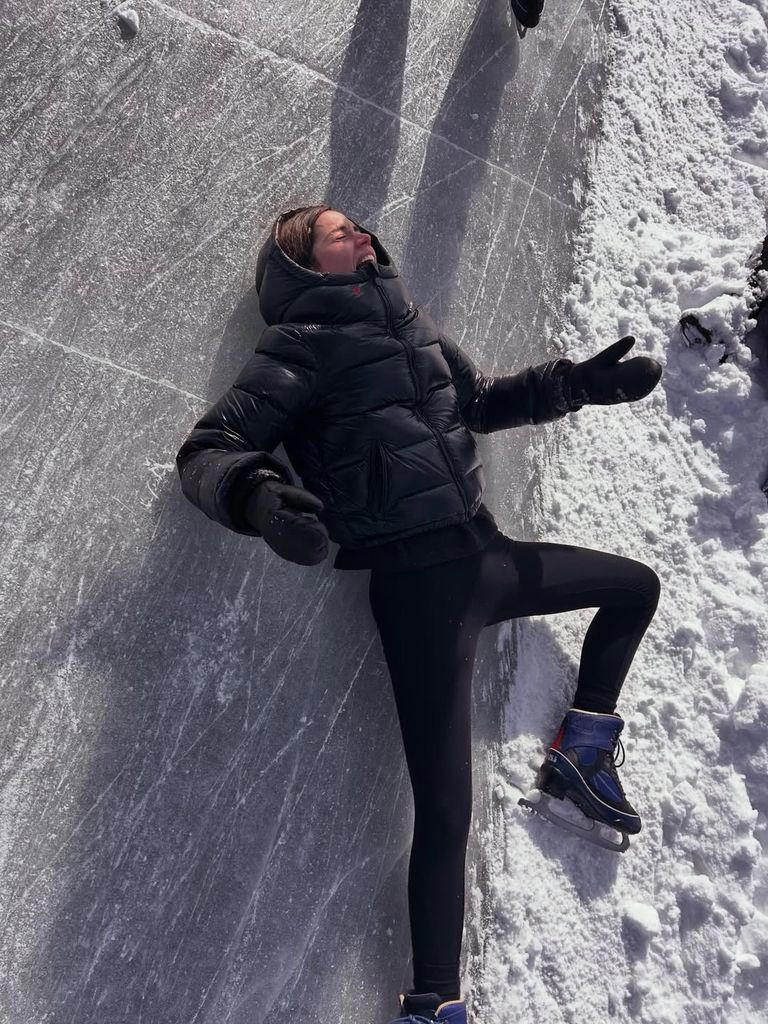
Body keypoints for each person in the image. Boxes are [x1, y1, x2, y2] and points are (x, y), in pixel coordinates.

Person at [175, 205, 662, 1024]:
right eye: (339, 235)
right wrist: (257, 500)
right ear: (301, 263)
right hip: (419, 588)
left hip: (487, 556)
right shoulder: (302, 345)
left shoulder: (410, 322)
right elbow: (210, 446)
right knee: (444, 810)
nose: (363, 236)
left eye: (360, 228)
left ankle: (583, 751)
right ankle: (434, 1002)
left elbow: (478, 404)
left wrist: (578, 385)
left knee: (635, 585)